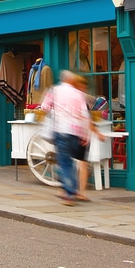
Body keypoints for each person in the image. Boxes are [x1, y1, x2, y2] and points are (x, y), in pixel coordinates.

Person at [41, 70, 91, 205]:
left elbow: (44, 107)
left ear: (63, 79)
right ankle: (70, 187)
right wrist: (85, 134)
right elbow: (85, 115)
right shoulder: (79, 94)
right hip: (76, 132)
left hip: (61, 130)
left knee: (64, 162)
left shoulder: (54, 90)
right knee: (69, 161)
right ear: (72, 81)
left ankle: (69, 193)